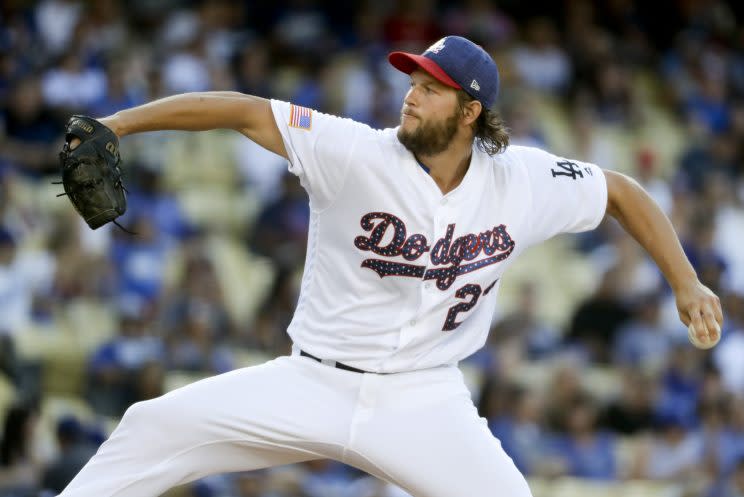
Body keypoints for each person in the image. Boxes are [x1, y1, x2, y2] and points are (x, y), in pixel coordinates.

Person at [58, 36, 723, 497]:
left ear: (470, 112)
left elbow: (620, 192)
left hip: (424, 398)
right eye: (412, 81)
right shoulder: (354, 153)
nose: (411, 95)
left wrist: (684, 279)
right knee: (151, 427)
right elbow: (240, 109)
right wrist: (118, 123)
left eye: (431, 89)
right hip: (312, 381)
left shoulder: (521, 179)